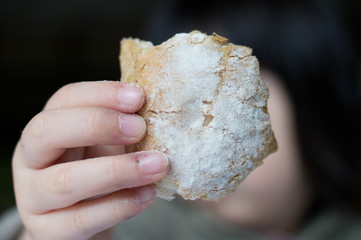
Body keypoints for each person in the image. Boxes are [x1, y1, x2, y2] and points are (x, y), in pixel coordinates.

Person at [1, 0, 361, 239]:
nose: (194, 128)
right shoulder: (128, 227)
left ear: (318, 107)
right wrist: (37, 229)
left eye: (221, 92)